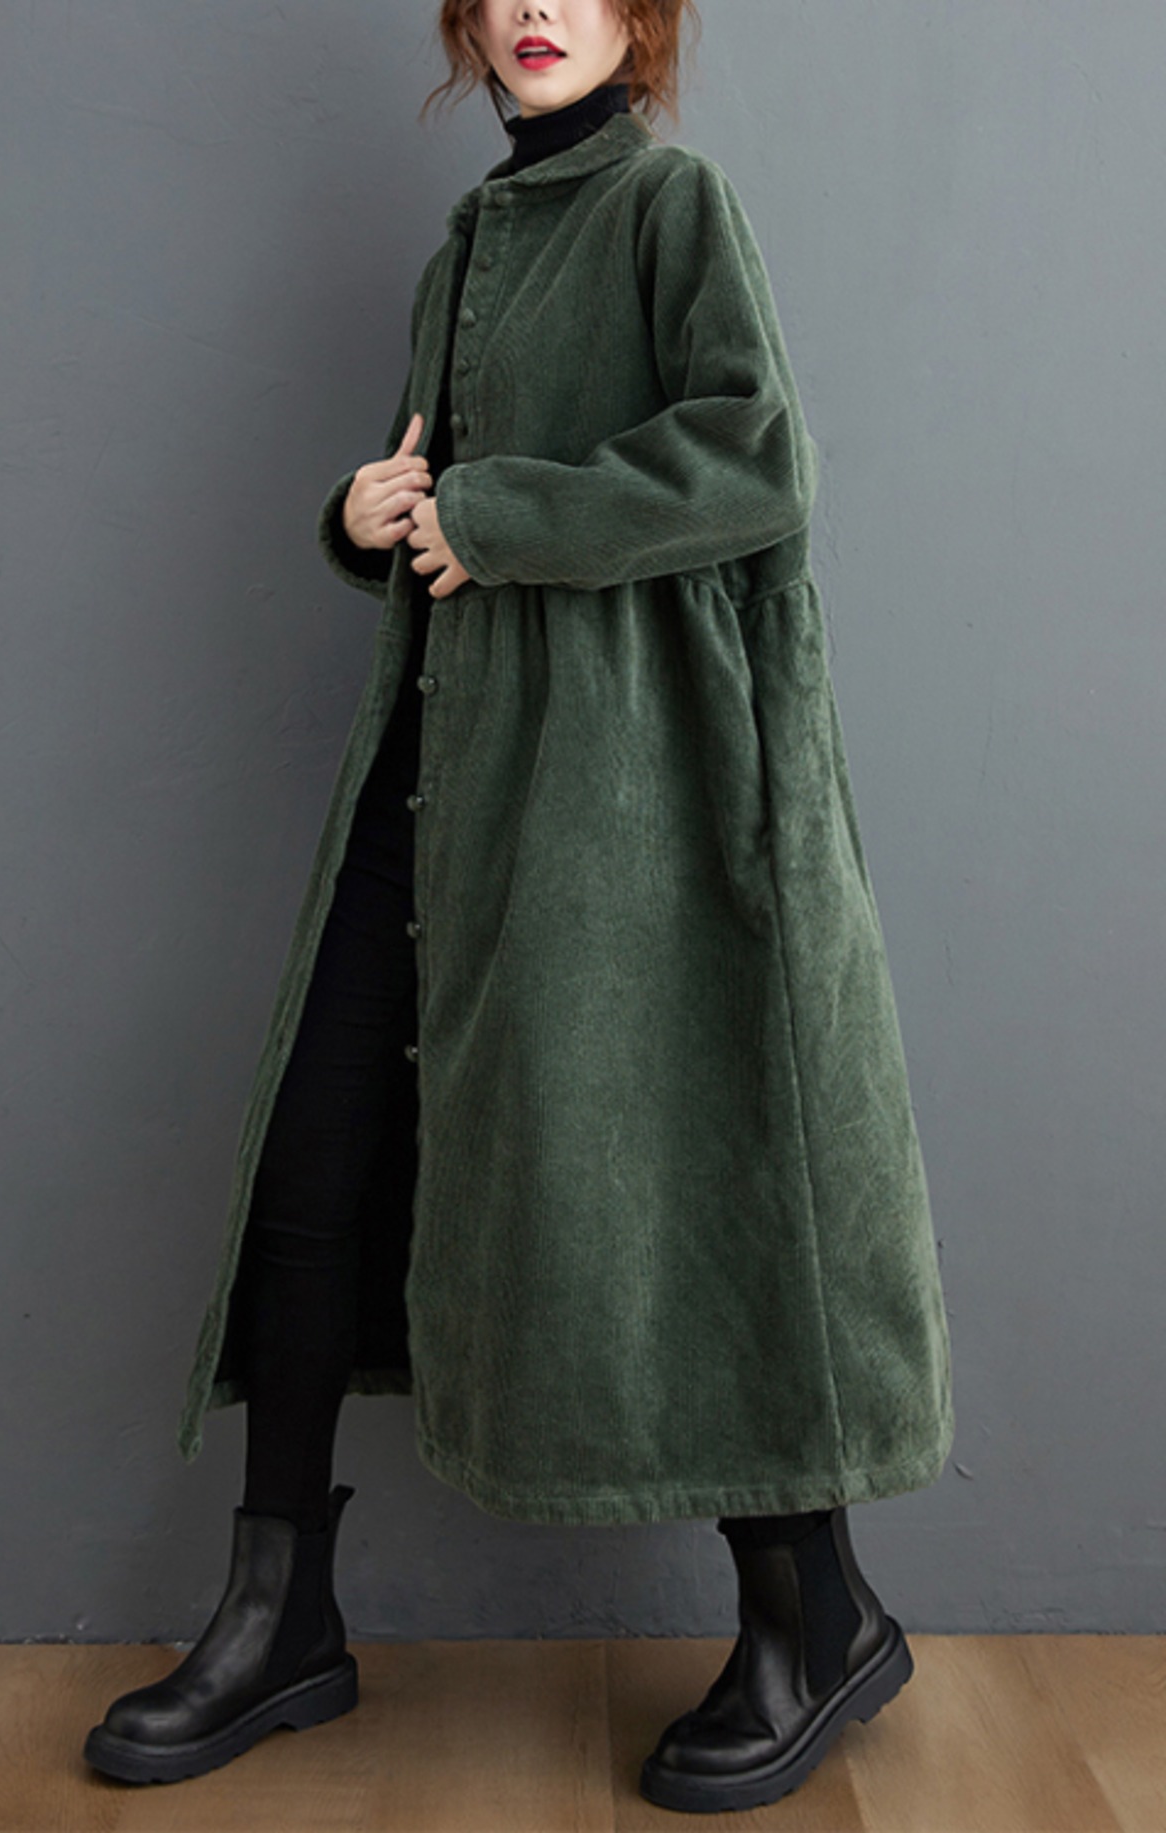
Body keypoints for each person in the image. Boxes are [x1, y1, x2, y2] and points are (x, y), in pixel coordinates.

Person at [84, 0, 955, 1813]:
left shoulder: (671, 204)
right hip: (439, 775)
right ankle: (278, 1609)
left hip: (620, 796)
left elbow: (756, 455)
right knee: (315, 1166)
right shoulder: (465, 246)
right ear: (469, 23)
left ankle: (817, 1610)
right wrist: (366, 512)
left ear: (643, 21)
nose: (538, 7)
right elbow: (439, 504)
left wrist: (498, 513)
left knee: (676, 1172)